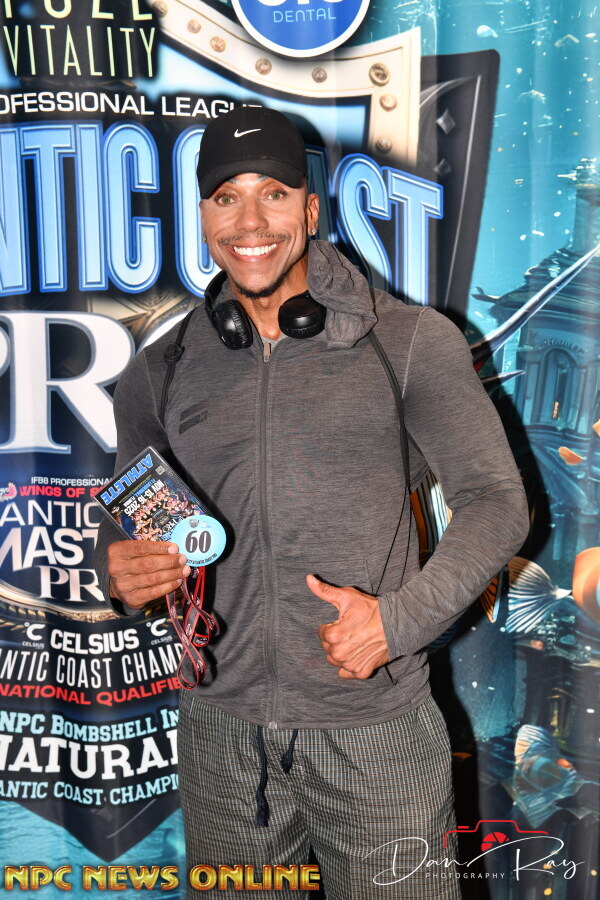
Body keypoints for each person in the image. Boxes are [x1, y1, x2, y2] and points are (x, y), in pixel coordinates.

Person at [94, 106, 529, 898]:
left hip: (376, 733)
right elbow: (128, 517)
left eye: (273, 193)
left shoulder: (409, 342)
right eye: (225, 197)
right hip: (221, 740)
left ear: (312, 209)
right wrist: (121, 573)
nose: (249, 222)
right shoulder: (162, 368)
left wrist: (397, 622)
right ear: (202, 215)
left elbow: (496, 501)